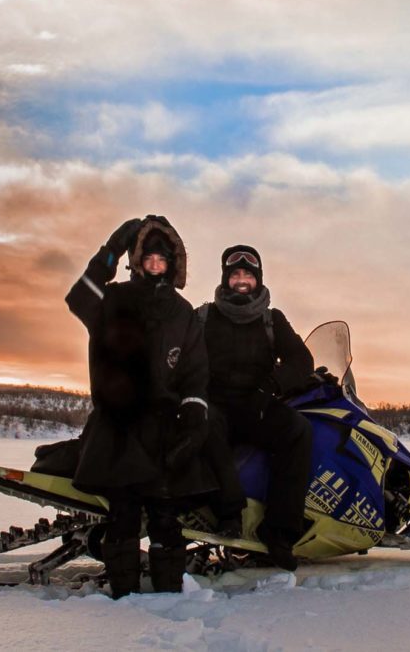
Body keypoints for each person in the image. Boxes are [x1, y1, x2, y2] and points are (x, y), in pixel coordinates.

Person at [64, 215, 214, 598]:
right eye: (147, 258)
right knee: (124, 513)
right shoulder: (113, 299)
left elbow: (195, 371)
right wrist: (110, 250)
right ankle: (124, 595)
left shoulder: (183, 313)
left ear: (173, 264)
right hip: (117, 424)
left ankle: (169, 597)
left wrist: (194, 413)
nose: (154, 265)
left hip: (163, 426)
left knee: (166, 516)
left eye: (162, 260)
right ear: (137, 261)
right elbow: (79, 297)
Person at [200, 244, 314, 571]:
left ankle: (279, 533)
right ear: (226, 278)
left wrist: (273, 386)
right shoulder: (205, 316)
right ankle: (228, 517)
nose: (241, 280)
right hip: (215, 406)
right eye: (234, 274)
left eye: (247, 274)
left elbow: (301, 360)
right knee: (206, 426)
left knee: (298, 431)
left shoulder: (271, 319)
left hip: (258, 405)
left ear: (257, 279)